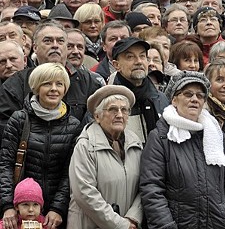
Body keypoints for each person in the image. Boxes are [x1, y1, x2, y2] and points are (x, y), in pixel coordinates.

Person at [140, 71, 225, 228]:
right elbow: (152, 189)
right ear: (174, 100)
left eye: (200, 96)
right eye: (188, 94)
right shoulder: (161, 137)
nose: (195, 99)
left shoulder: (215, 134)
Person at [0, 63, 82, 229]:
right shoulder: (19, 119)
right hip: (21, 208)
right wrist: (8, 206)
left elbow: (70, 172)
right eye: (47, 84)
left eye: (59, 84)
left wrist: (58, 208)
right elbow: (6, 165)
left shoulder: (74, 125)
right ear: (36, 87)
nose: (54, 89)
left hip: (55, 213)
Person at [67, 85, 142, 228]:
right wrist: (120, 224)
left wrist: (133, 218)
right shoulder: (85, 145)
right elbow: (85, 194)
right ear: (97, 116)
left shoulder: (136, 143)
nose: (120, 115)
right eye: (113, 109)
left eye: (124, 110)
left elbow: (144, 185)